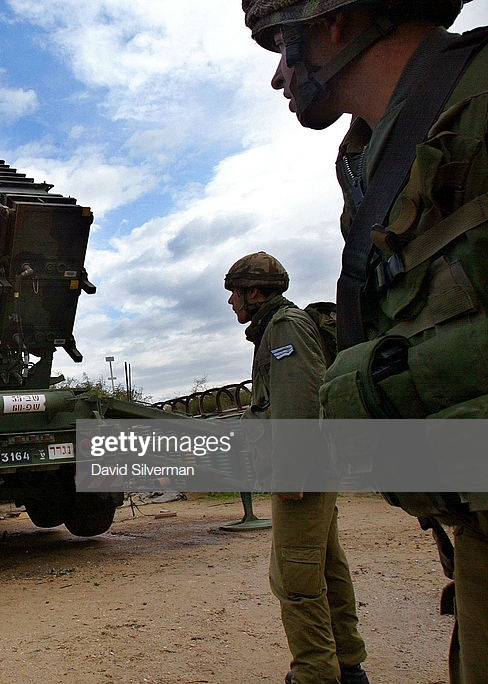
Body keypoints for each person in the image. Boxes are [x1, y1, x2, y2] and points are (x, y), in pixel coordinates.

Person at [242, 1, 488, 681]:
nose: (279, 76)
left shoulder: (474, 112)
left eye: (282, 48)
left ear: (337, 22)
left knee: (301, 579)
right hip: (472, 521)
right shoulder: (380, 161)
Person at [226, 252, 368, 684]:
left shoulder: (285, 327)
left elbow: (299, 402)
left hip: (303, 473)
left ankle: (314, 673)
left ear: (254, 292)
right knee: (325, 567)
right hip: (316, 467)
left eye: (235, 292)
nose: (232, 302)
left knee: (296, 577)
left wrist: (290, 473)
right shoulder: (279, 327)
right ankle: (346, 664)